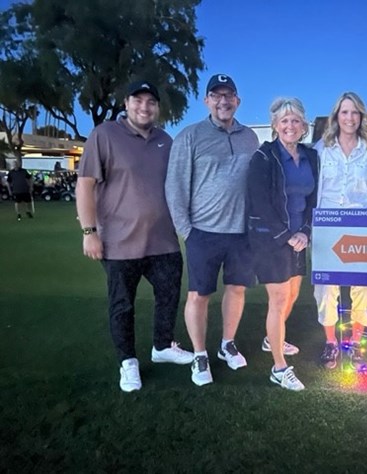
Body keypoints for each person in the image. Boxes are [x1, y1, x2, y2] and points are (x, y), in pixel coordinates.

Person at [76, 80, 193, 393]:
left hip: (163, 240)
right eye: (138, 101)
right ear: (126, 103)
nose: (145, 107)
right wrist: (89, 232)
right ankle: (128, 362)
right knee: (122, 305)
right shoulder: (104, 135)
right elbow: (85, 185)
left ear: (157, 107)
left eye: (151, 102)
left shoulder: (165, 141)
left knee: (169, 292)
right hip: (118, 242)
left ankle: (162, 345)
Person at [165, 74, 259, 386]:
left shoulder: (249, 137)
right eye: (216, 95)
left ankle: (226, 344)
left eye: (229, 95)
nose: (223, 101)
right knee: (199, 295)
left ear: (238, 100)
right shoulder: (190, 136)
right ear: (206, 101)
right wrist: (186, 231)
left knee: (236, 289)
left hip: (241, 232)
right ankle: (200, 353)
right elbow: (174, 187)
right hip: (202, 232)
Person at [246, 98, 318, 391]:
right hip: (269, 237)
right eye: (284, 121)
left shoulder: (311, 157)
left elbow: (313, 199)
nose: (290, 126)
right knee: (278, 299)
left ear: (304, 126)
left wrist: (304, 232)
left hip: (298, 238)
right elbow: (259, 201)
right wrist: (286, 234)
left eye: (295, 121)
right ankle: (279, 368)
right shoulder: (263, 157)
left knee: (292, 294)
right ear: (275, 126)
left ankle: (270, 339)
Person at [314, 92, 367, 370]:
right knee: (326, 289)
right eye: (344, 112)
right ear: (336, 116)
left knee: (363, 289)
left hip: (362, 226)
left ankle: (355, 343)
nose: (349, 118)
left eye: (354, 113)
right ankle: (331, 343)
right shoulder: (322, 148)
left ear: (361, 116)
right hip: (327, 226)